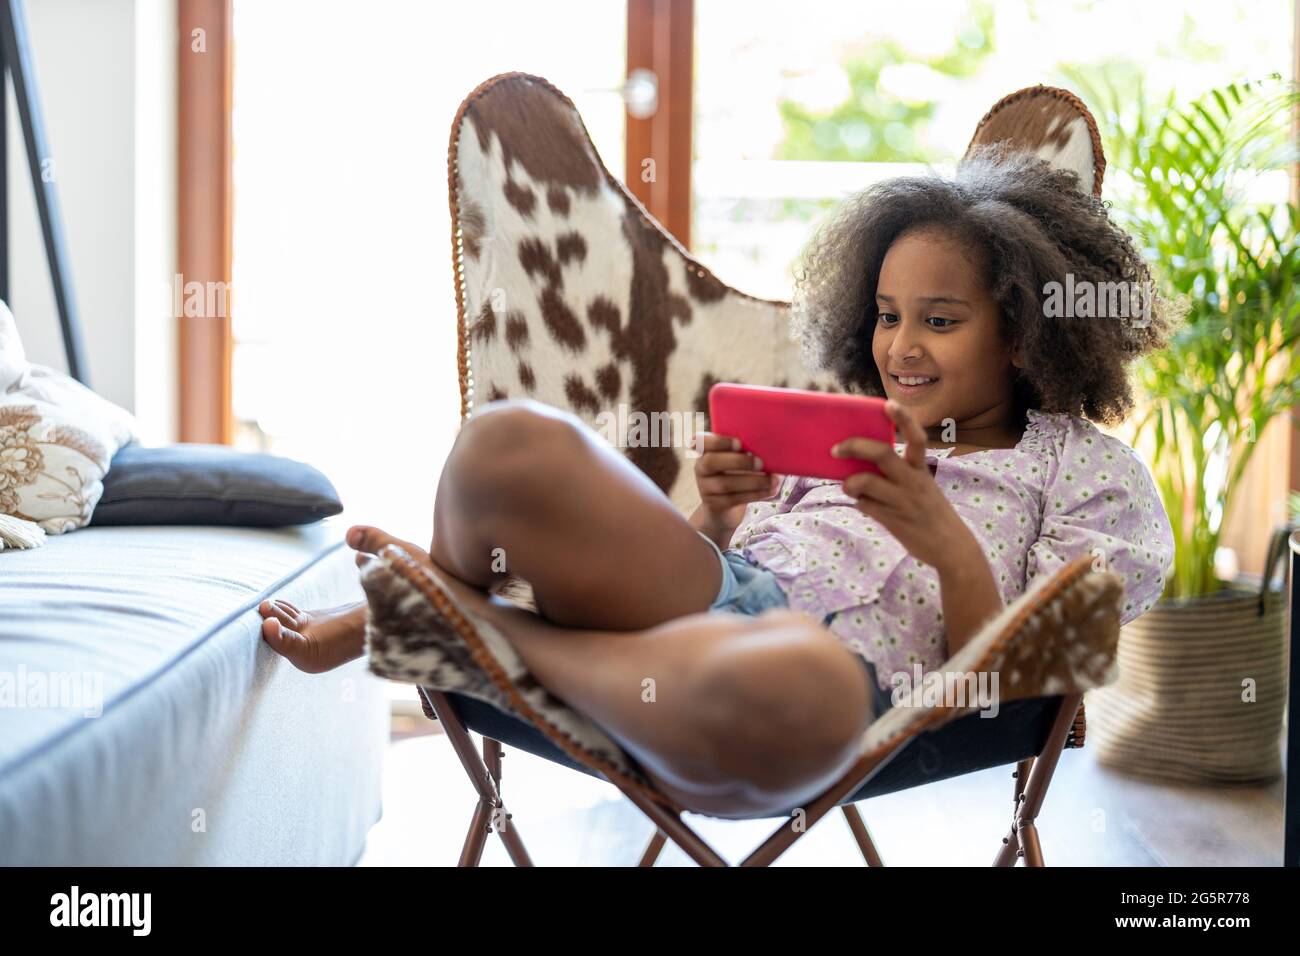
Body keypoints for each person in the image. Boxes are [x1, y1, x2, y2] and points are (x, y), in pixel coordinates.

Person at [258, 147, 1177, 817]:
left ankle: (461, 624)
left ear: (1021, 335)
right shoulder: (856, 433)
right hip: (703, 611)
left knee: (800, 675)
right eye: (888, 315)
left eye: (940, 320)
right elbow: (699, 575)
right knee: (508, 445)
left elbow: (1018, 683)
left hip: (853, 697)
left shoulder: (1088, 473)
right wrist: (719, 511)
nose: (900, 346)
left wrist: (942, 537)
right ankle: (469, 620)